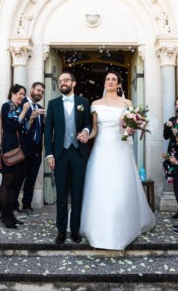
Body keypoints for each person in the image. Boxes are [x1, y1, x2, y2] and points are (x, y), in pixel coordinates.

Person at [79, 70, 155, 249]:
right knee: (100, 185)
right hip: (101, 148)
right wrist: (86, 136)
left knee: (120, 185)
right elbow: (96, 129)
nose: (110, 82)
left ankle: (124, 226)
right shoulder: (96, 104)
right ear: (104, 83)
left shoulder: (127, 103)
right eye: (107, 79)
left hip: (120, 148)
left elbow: (130, 127)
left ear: (119, 84)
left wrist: (131, 130)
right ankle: (97, 227)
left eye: (114, 79)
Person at [44, 71, 93, 244]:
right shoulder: (53, 104)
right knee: (62, 194)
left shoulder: (83, 102)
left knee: (77, 193)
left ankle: (75, 230)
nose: (62, 83)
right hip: (60, 154)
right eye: (60, 81)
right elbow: (48, 131)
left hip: (79, 153)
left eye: (66, 80)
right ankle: (61, 230)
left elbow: (88, 122)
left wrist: (86, 131)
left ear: (73, 83)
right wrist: (49, 153)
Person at [0, 84, 32, 229]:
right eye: (20, 93)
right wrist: (24, 113)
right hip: (9, 149)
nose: (22, 97)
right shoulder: (7, 107)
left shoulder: (19, 109)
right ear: (12, 93)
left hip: (20, 150)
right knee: (7, 182)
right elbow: (11, 127)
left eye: (24, 94)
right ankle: (4, 216)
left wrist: (30, 119)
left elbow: (23, 130)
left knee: (16, 184)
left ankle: (11, 215)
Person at [13, 82, 46, 217]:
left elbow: (41, 130)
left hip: (36, 149)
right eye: (38, 90)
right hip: (22, 148)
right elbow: (17, 126)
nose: (40, 93)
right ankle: (14, 207)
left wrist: (45, 122)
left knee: (31, 179)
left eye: (42, 92)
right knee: (18, 178)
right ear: (31, 90)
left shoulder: (40, 108)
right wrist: (30, 116)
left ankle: (27, 206)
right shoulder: (20, 105)